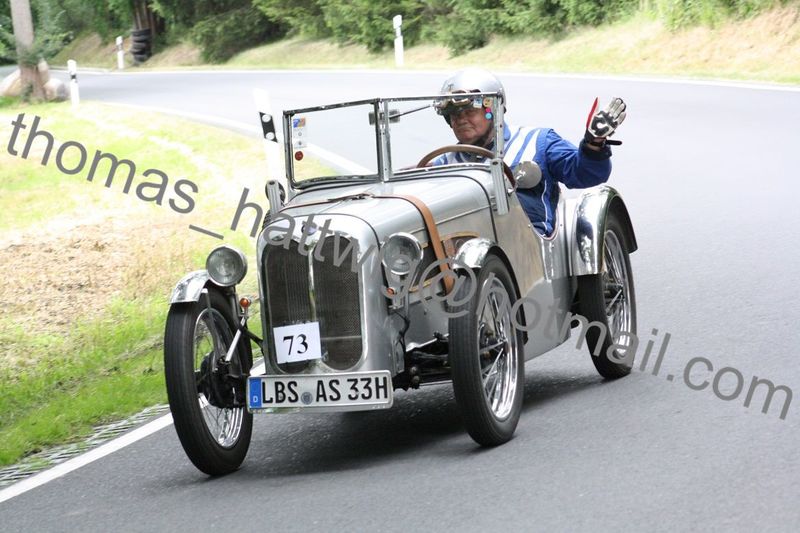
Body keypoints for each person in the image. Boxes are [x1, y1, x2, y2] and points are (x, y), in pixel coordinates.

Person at [433, 68, 626, 236]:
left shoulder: (537, 141)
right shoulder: (441, 165)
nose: (461, 120)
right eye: (454, 115)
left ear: (492, 110)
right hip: (466, 245)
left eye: (469, 111)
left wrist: (593, 143)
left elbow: (583, 174)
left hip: (528, 245)